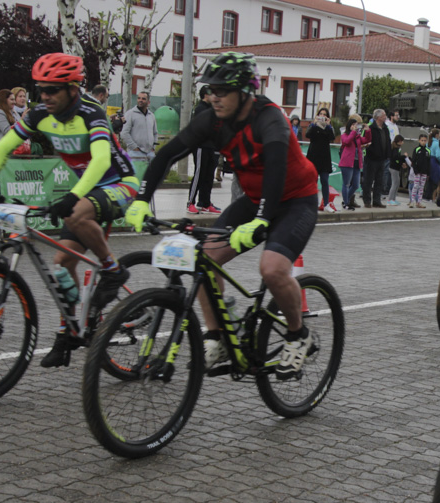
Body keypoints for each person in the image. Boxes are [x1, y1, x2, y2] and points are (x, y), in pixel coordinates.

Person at [126, 52, 319, 380]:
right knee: (204, 259)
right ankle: (217, 335)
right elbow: (167, 155)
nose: (213, 96)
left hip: (295, 200)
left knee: (272, 269)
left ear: (245, 92)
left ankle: (299, 335)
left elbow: (275, 168)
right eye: (210, 90)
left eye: (222, 90)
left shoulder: (269, 118)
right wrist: (142, 200)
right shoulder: (211, 120)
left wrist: (261, 221)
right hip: (255, 199)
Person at [0, 53, 139, 368]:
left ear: (73, 89)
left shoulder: (92, 114)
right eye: (41, 89)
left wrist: (73, 195)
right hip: (86, 191)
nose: (45, 96)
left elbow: (101, 161)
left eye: (53, 90)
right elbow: (2, 148)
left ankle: (114, 271)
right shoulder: (38, 115)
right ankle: (69, 331)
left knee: (75, 213)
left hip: (119, 184)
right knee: (61, 266)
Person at [184, 86, 222, 215]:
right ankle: (190, 202)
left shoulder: (212, 109)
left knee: (209, 176)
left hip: (212, 146)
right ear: (206, 95)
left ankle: (205, 203)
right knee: (199, 174)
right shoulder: (200, 109)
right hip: (201, 146)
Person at [305, 106, 337, 211]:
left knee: (324, 180)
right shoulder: (313, 126)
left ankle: (326, 204)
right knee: (312, 181)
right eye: (321, 114)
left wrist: (328, 125)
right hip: (313, 155)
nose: (322, 116)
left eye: (324, 115)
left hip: (324, 157)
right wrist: (314, 124)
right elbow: (308, 134)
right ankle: (311, 203)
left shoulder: (329, 127)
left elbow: (332, 137)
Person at [360, 108, 391, 208]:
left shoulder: (385, 128)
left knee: (379, 181)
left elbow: (388, 141)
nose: (385, 117)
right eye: (384, 115)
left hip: (382, 159)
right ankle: (367, 200)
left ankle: (377, 200)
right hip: (371, 158)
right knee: (368, 181)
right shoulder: (370, 128)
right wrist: (371, 152)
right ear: (378, 117)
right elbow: (364, 141)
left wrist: (387, 154)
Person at [338, 114, 369, 210]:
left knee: (355, 185)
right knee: (346, 183)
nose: (356, 127)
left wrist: (367, 131)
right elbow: (346, 142)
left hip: (356, 163)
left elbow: (366, 140)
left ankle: (346, 200)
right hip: (347, 163)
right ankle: (346, 203)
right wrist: (353, 132)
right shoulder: (345, 134)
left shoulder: (358, 137)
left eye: (357, 125)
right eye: (354, 124)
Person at [122, 91, 157, 162]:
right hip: (135, 153)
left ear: (148, 102)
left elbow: (155, 133)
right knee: (138, 173)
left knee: (150, 173)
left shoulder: (151, 115)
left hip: (150, 154)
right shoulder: (130, 114)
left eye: (143, 99)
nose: (140, 100)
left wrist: (153, 147)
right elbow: (124, 133)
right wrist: (135, 148)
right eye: (139, 98)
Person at [409, 132, 431, 209]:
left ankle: (419, 202)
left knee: (421, 187)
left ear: (427, 141)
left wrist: (428, 172)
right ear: (419, 141)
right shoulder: (416, 149)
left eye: (425, 140)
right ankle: (412, 201)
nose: (423, 142)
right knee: (415, 186)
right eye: (422, 140)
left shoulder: (428, 150)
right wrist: (415, 170)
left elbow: (428, 162)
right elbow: (413, 161)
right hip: (417, 171)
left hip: (424, 172)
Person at [385, 134, 406, 206]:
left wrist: (401, 163)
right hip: (394, 168)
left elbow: (397, 159)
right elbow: (396, 158)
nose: (403, 143)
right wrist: (403, 157)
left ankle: (393, 199)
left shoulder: (397, 148)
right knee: (394, 184)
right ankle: (390, 199)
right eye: (402, 141)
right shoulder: (395, 149)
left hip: (396, 168)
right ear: (399, 141)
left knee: (397, 184)